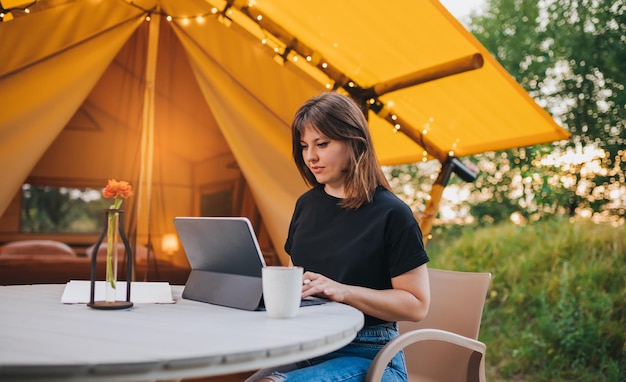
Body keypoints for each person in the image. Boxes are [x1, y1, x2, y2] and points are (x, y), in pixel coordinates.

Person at [247, 92, 430, 382]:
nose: (311, 156)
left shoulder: (393, 214)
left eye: (322, 144)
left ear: (354, 143)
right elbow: (303, 280)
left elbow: (417, 304)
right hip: (309, 344)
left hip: (371, 353)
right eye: (305, 146)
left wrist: (344, 291)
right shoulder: (306, 205)